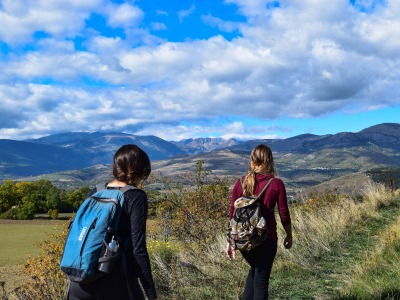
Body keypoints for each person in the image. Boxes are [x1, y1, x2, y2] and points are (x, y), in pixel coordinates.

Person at [68, 144, 157, 300]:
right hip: (115, 282)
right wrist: (151, 293)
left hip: (79, 281)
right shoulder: (136, 197)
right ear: (141, 170)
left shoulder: (95, 192)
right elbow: (138, 250)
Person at [226, 144, 292, 300]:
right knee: (261, 281)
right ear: (270, 160)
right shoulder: (276, 184)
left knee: (255, 273)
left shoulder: (240, 182)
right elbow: (284, 214)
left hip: (243, 239)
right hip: (266, 239)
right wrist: (289, 236)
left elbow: (232, 214)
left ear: (251, 160)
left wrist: (230, 241)